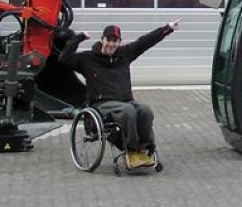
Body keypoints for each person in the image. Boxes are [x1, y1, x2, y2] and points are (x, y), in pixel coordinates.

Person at [59, 21, 180, 168]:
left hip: (125, 101)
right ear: (102, 40)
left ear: (119, 42)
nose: (111, 44)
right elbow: (63, 59)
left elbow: (145, 42)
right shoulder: (87, 59)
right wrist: (78, 38)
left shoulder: (124, 54)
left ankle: (145, 149)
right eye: (108, 40)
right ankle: (132, 150)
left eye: (115, 41)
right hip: (101, 104)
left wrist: (167, 28)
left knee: (144, 110)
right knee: (127, 111)